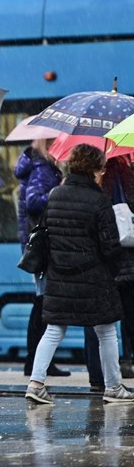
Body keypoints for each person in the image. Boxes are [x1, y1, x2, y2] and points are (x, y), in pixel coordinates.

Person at [25, 144, 134, 404]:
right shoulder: (99, 200)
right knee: (106, 332)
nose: (102, 173)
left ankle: (36, 383)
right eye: (101, 168)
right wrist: (113, 270)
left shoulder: (55, 195)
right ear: (94, 169)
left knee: (53, 330)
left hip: (60, 276)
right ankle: (113, 387)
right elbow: (110, 246)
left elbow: (48, 235)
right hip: (94, 278)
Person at [14, 138, 71, 378]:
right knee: (43, 304)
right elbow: (34, 202)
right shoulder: (41, 168)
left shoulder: (41, 167)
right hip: (42, 244)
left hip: (38, 242)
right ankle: (37, 361)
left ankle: (39, 360)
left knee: (42, 303)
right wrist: (60, 191)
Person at [100, 155, 134, 379]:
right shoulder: (125, 172)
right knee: (130, 313)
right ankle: (126, 359)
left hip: (110, 257)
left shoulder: (102, 178)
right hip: (128, 256)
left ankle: (117, 365)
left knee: (109, 319)